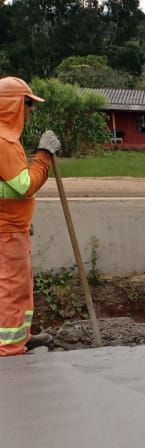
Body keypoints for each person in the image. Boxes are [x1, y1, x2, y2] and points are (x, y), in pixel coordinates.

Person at [0, 77, 60, 356]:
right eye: (27, 104)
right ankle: (11, 346)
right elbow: (24, 185)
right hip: (6, 231)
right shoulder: (2, 140)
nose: (30, 110)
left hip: (13, 226)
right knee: (12, 288)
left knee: (19, 286)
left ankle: (20, 336)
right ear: (12, 105)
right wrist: (44, 156)